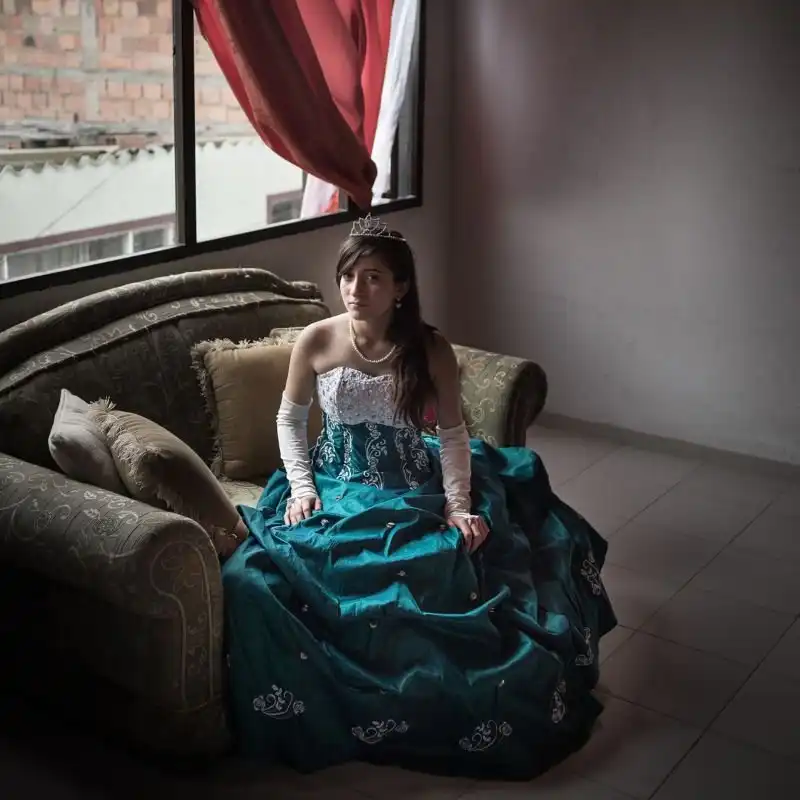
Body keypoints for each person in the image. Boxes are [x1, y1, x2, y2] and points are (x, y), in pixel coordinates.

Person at [222, 214, 617, 780]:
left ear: (401, 287)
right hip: (333, 482)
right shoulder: (317, 339)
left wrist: (458, 506)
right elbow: (290, 419)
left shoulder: (430, 349)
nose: (356, 290)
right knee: (251, 577)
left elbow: (452, 434)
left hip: (411, 487)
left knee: (433, 576)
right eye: (348, 276)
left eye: (374, 277)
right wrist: (303, 487)